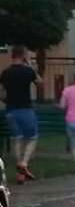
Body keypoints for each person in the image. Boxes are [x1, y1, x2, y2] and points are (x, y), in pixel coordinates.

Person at [0, 46, 43, 184]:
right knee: (32, 138)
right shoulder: (28, 71)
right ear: (23, 55)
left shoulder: (5, 72)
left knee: (16, 139)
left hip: (10, 111)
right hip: (25, 109)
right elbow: (40, 84)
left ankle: (20, 174)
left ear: (12, 55)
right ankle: (24, 163)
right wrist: (31, 65)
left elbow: (0, 92)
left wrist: (5, 99)